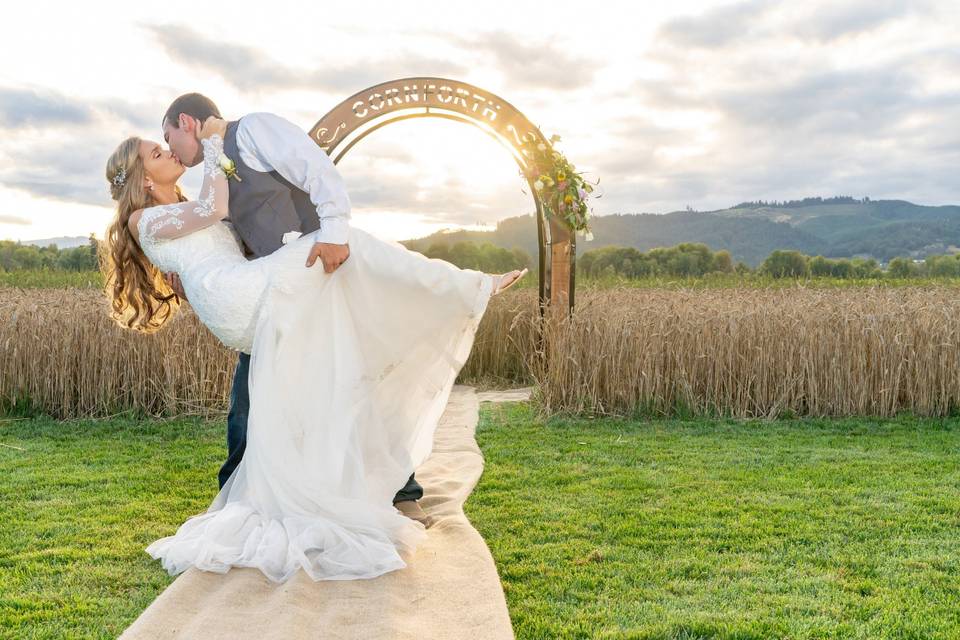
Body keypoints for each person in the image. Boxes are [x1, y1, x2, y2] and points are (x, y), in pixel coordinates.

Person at [101, 111, 527, 583]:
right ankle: (466, 287)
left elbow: (219, 237)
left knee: (330, 341)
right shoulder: (147, 216)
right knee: (343, 246)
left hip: (243, 290)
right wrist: (216, 141)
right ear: (140, 177)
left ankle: (346, 486)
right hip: (236, 296)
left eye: (166, 144)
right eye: (156, 153)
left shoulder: (181, 203)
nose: (168, 152)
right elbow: (214, 211)